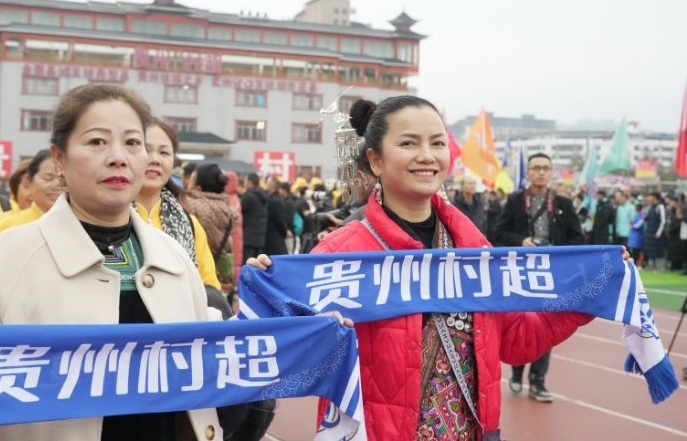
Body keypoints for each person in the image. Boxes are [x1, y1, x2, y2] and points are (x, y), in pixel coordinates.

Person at [251, 96, 593, 440]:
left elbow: (518, 339)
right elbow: (291, 356)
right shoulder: (339, 255)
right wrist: (267, 298)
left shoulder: (474, 248)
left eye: (437, 143)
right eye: (408, 143)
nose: (427, 155)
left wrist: (592, 290)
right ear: (376, 160)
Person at [0, 83, 222, 441]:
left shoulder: (173, 258)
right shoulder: (10, 257)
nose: (118, 157)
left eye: (133, 143)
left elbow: (209, 362)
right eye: (97, 142)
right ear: (59, 158)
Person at [493, 152, 584, 403]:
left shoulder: (563, 204)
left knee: (546, 327)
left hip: (552, 275)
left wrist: (556, 251)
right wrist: (521, 241)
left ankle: (538, 380)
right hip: (521, 272)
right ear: (528, 172)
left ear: (551, 172)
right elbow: (498, 232)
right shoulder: (515, 201)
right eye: (536, 168)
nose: (541, 172)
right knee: (521, 323)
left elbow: (578, 238)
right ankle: (516, 372)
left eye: (546, 168)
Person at [133, 119, 221, 290]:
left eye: (164, 152)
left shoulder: (189, 225)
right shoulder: (108, 218)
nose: (155, 159)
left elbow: (210, 289)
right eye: (146, 150)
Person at [181, 163, 239, 289]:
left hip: (197, 273)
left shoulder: (189, 205)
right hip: (219, 274)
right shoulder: (228, 209)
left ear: (198, 188)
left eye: (191, 181)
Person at [0, 149, 63, 235]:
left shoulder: (74, 226)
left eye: (65, 179)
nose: (57, 185)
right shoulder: (2, 228)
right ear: (29, 181)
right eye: (48, 178)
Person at [238, 172, 268, 262]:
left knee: (248, 263)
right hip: (260, 237)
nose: (244, 183)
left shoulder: (249, 197)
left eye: (246, 181)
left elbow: (238, 210)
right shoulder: (263, 197)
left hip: (249, 236)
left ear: (250, 182)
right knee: (258, 264)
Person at [643, 191, 668, 270]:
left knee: (658, 250)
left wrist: (659, 233)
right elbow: (648, 218)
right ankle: (651, 266)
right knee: (650, 250)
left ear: (654, 197)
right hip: (650, 231)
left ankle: (660, 267)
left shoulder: (660, 206)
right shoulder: (651, 207)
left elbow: (663, 221)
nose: (648, 198)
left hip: (657, 233)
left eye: (650, 196)